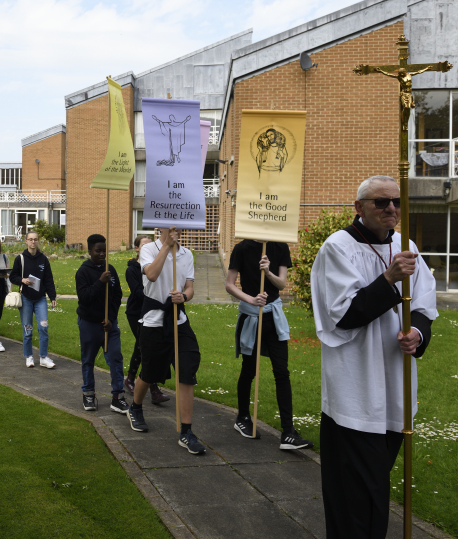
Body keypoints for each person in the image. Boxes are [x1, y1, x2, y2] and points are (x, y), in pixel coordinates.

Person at [311, 175, 436, 539]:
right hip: (356, 389)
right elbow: (344, 316)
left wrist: (418, 334)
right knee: (358, 495)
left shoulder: (405, 245)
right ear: (359, 207)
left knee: (375, 483)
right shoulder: (337, 248)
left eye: (396, 201)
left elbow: (425, 304)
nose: (391, 209)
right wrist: (389, 278)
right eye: (381, 202)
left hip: (395, 386)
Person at [225, 239, 312, 449]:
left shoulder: (280, 247)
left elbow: (282, 283)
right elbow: (229, 284)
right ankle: (243, 418)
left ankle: (288, 432)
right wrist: (250, 299)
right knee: (249, 370)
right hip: (251, 316)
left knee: (282, 372)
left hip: (274, 316)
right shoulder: (242, 248)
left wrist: (268, 271)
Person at [126, 226, 205, 456]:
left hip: (178, 320)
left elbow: (189, 287)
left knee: (187, 371)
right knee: (149, 373)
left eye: (178, 227)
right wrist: (167, 246)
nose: (175, 230)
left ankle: (186, 432)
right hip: (153, 321)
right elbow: (151, 275)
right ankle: (136, 407)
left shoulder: (187, 254)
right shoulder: (149, 249)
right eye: (170, 228)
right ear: (159, 228)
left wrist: (185, 296)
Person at [75, 234, 128, 414]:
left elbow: (117, 296)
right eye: (98, 251)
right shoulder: (83, 272)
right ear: (89, 251)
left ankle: (118, 396)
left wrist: (111, 319)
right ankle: (88, 393)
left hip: (109, 325)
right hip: (89, 323)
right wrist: (100, 282)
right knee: (88, 359)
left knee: (115, 358)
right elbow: (84, 297)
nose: (102, 254)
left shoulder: (110, 269)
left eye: (104, 250)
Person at [124, 235, 170, 405]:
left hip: (153, 311)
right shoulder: (132, 270)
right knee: (145, 348)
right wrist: (153, 295)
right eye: (144, 245)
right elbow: (137, 293)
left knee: (142, 348)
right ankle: (153, 388)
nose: (148, 248)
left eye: (150, 245)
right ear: (137, 248)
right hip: (137, 312)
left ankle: (130, 379)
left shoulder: (157, 264)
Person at [9, 231, 57, 369]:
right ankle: (29, 356)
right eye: (30, 239)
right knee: (28, 329)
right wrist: (22, 280)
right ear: (26, 241)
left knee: (43, 327)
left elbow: (49, 280)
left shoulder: (43, 259)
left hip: (40, 299)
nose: (33, 242)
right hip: (26, 299)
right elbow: (13, 276)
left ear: (38, 241)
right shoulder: (20, 258)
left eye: (35, 239)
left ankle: (43, 357)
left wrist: (52, 297)